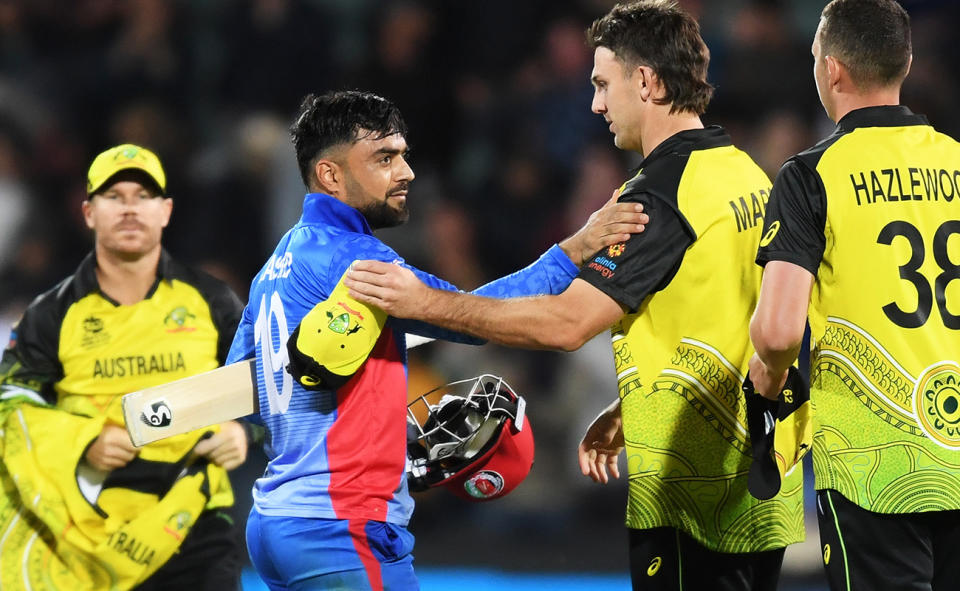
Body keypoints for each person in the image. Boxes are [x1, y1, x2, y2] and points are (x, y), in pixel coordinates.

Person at [344, 2, 804, 589]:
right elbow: (745, 319)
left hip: (695, 492)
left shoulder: (659, 196)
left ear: (646, 81)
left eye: (603, 84)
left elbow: (566, 324)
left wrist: (423, 303)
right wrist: (636, 404)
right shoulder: (745, 172)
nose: (596, 104)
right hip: (764, 477)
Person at [225, 89, 649, 590]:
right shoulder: (356, 257)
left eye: (403, 155)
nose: (405, 173)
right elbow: (470, 316)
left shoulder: (275, 265)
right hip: (340, 526)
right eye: (384, 158)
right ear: (331, 175)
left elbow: (246, 394)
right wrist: (574, 250)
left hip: (275, 524)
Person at [746, 1, 960, 589]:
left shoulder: (811, 175)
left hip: (873, 468)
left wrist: (764, 389)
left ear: (832, 70)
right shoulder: (956, 161)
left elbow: (778, 332)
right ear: (907, 62)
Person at [0, 144, 253, 590]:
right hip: (86, 534)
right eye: (114, 197)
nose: (130, 209)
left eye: (144, 195)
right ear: (88, 212)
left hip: (196, 524)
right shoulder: (50, 315)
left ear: (166, 211)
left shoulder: (213, 301)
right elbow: (10, 406)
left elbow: (269, 387)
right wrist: (84, 443)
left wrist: (242, 431)